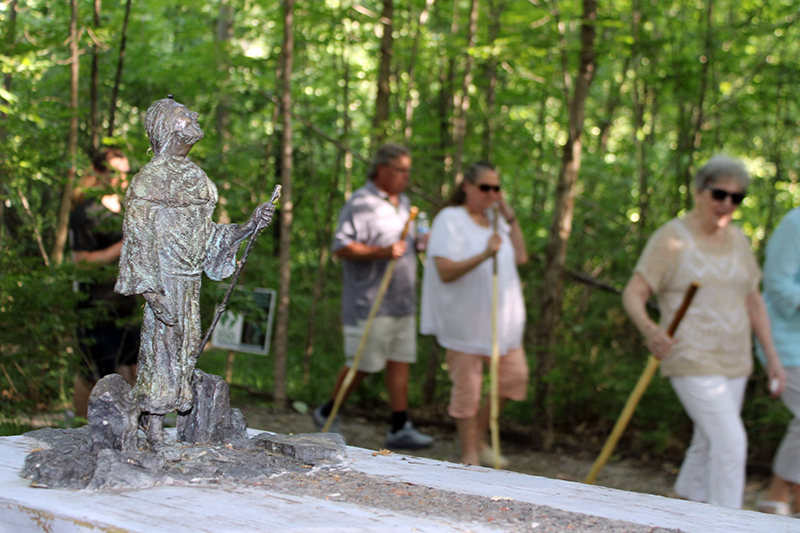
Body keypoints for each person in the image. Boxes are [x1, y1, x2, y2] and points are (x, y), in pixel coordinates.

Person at [622, 154, 786, 508]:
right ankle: (725, 523)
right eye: (719, 194)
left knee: (708, 440)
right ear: (699, 191)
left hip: (735, 359)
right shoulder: (671, 237)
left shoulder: (739, 239)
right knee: (730, 442)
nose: (726, 203)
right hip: (690, 355)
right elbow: (634, 293)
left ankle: (685, 502)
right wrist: (651, 330)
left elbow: (754, 303)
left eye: (736, 197)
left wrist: (772, 358)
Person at [115, 97, 275, 445]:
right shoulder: (150, 180)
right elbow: (138, 239)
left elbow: (208, 237)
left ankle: (159, 425)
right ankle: (154, 428)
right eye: (185, 115)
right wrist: (152, 293)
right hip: (164, 282)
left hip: (189, 283)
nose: (194, 117)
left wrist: (249, 226)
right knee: (162, 351)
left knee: (185, 353)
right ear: (170, 126)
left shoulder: (197, 178)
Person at [313, 143, 433, 450]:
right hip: (370, 300)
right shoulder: (361, 202)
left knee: (400, 359)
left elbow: (412, 245)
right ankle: (327, 411)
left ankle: (399, 425)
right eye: (400, 170)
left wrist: (423, 242)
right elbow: (341, 246)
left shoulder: (406, 203)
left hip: (402, 299)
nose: (406, 177)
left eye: (408, 170)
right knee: (363, 362)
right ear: (382, 169)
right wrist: (381, 252)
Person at [420, 161, 529, 466]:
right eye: (485, 187)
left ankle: (478, 437)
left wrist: (511, 217)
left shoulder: (498, 221)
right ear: (467, 187)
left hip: (503, 324)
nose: (492, 193)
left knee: (514, 379)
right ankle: (469, 455)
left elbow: (521, 256)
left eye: (497, 188)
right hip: (465, 322)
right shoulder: (451, 219)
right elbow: (444, 271)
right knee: (468, 392)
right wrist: (484, 254)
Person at [69, 148, 140, 418]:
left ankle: (128, 426)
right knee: (93, 373)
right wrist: (122, 246)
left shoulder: (123, 206)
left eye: (125, 173)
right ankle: (79, 426)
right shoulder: (85, 211)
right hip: (96, 306)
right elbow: (82, 261)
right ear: (98, 172)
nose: (122, 179)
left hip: (125, 303)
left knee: (130, 368)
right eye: (115, 172)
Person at [754, 207, 800, 516]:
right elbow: (776, 284)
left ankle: (788, 498)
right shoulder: (795, 223)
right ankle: (776, 495)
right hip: (784, 341)